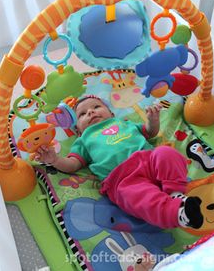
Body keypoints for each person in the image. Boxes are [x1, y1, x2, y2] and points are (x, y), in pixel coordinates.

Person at [35, 95, 203, 229]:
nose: (91, 113)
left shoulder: (124, 123)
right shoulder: (83, 140)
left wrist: (153, 120)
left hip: (149, 160)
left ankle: (176, 193)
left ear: (112, 114)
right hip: (123, 179)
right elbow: (72, 165)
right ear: (78, 130)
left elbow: (150, 133)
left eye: (96, 107)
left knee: (166, 153)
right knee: (137, 197)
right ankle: (177, 213)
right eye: (83, 114)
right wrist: (55, 160)